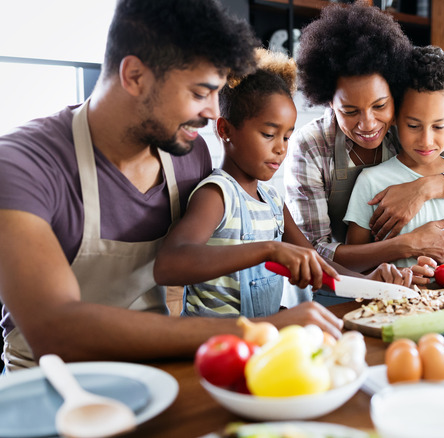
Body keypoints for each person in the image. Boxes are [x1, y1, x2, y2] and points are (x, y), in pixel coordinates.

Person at [0, 0, 339, 372]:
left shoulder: (188, 157)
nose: (212, 111)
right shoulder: (20, 164)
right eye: (199, 93)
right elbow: (57, 331)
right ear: (134, 76)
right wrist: (258, 329)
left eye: (216, 93)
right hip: (49, 382)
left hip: (157, 369)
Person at [153, 49, 412, 318]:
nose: (281, 149)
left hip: (259, 342)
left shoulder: (272, 201)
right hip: (212, 345)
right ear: (225, 130)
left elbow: (317, 262)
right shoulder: (217, 195)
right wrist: (269, 249)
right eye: (268, 134)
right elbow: (169, 265)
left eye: (287, 137)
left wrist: (369, 282)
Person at [287, 3, 444, 279]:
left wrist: (421, 189)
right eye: (349, 111)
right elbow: (314, 252)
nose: (369, 124)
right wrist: (406, 245)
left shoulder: (412, 130)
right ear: (328, 101)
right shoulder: (311, 146)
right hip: (329, 290)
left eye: (380, 105)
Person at [344, 46, 444, 283]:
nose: (426, 140)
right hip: (392, 306)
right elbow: (352, 262)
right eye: (414, 126)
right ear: (395, 115)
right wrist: (391, 275)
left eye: (438, 126)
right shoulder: (371, 181)